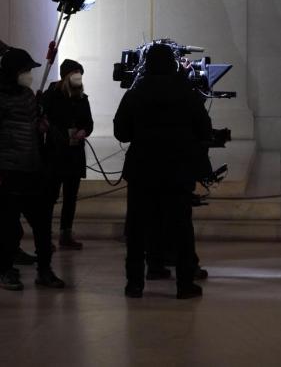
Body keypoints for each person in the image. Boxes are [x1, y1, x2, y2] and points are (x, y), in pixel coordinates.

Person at [114, 43, 212, 299]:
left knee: (137, 229)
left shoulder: (136, 92)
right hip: (177, 169)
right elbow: (204, 130)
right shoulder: (186, 93)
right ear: (173, 64)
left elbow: (121, 132)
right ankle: (184, 284)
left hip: (142, 169)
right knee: (181, 228)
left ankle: (134, 284)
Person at [0, 48, 65, 290]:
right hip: (7, 171)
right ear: (14, 72)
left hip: (32, 168)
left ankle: (44, 270)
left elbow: (30, 126)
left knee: (42, 224)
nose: (29, 75)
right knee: (7, 227)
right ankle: (6, 270)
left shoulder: (27, 95)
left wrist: (41, 126)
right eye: (25, 70)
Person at [41, 59, 94, 249]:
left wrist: (83, 131)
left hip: (74, 154)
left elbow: (88, 123)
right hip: (55, 154)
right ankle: (44, 236)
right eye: (75, 73)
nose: (78, 77)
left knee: (71, 197)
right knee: (50, 197)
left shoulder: (82, 98)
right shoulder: (51, 96)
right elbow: (43, 118)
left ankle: (66, 234)